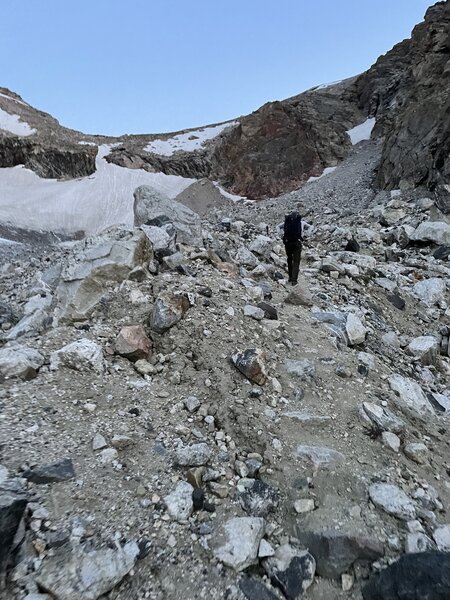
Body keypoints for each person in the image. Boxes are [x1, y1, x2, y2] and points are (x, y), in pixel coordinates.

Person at [282, 211, 310, 285]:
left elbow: (280, 228)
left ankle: (290, 277)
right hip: (297, 242)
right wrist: (304, 236)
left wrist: (283, 237)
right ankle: (294, 280)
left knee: (289, 259)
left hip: (288, 243)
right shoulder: (300, 222)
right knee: (296, 261)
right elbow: (310, 227)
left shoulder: (287, 221)